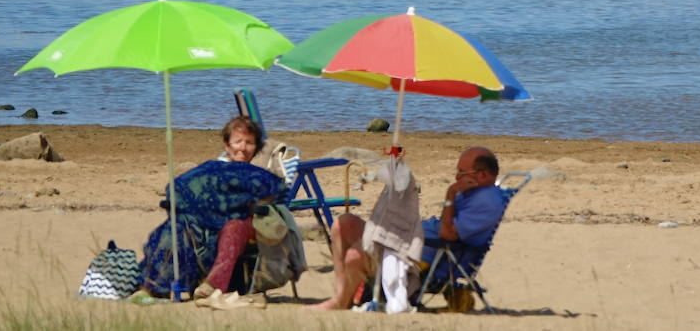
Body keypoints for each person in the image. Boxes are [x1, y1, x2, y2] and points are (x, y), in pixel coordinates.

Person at [313, 147, 504, 311]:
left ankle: (340, 301)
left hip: (410, 256)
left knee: (355, 254)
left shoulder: (487, 203)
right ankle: (342, 294)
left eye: (461, 173)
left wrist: (450, 193)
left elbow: (447, 235)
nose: (456, 177)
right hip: (407, 238)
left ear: (481, 175)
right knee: (344, 223)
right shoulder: (473, 195)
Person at [137, 115, 284, 300]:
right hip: (206, 226)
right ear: (227, 146)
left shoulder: (260, 176)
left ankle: (213, 285)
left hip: (247, 224)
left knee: (234, 226)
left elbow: (274, 196)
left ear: (256, 147)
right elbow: (182, 187)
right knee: (177, 225)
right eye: (238, 141)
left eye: (249, 142)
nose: (243, 148)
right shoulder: (213, 169)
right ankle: (155, 285)